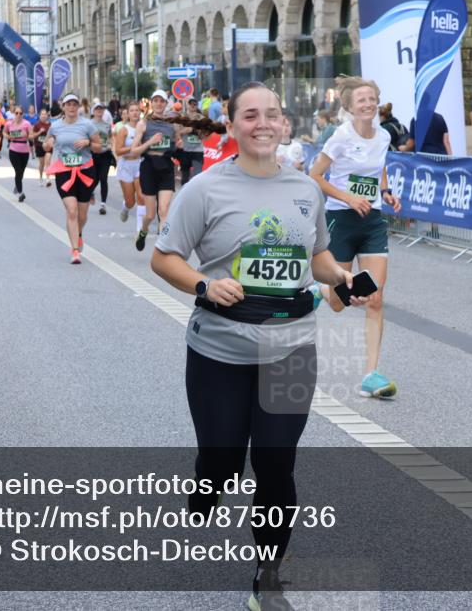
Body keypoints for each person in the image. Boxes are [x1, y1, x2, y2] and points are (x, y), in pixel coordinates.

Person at [151, 81, 364, 611]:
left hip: (291, 349)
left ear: (284, 124)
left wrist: (340, 276)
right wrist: (203, 284)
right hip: (219, 351)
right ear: (231, 125)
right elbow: (164, 258)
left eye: (271, 114)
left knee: (275, 465)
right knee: (222, 460)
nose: (262, 123)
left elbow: (316, 256)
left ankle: (268, 576)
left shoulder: (305, 189)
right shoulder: (205, 189)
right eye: (250, 115)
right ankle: (208, 482)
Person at [310, 75, 402, 398]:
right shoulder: (341, 137)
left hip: (372, 221)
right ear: (350, 106)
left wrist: (385, 191)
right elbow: (315, 175)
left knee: (374, 296)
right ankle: (322, 290)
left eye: (372, 99)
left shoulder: (384, 136)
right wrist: (348, 198)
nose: (368, 104)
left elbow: (379, 168)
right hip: (341, 220)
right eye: (361, 100)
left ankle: (371, 375)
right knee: (339, 303)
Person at [43, 92, 103, 264]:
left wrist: (88, 143)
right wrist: (48, 144)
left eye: (74, 104)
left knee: (82, 215)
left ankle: (79, 233)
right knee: (71, 211)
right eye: (68, 104)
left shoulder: (87, 125)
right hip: (64, 171)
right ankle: (75, 250)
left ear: (78, 107)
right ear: (63, 107)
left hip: (85, 171)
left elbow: (99, 147)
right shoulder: (55, 126)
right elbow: (46, 145)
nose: (71, 107)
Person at [132, 90, 179, 252]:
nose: (159, 104)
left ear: (166, 104)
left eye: (162, 101)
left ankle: (162, 247)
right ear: (151, 103)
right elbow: (134, 151)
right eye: (156, 101)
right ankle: (143, 231)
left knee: (164, 210)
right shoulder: (143, 124)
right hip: (149, 167)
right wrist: (150, 142)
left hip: (166, 166)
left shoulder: (172, 123)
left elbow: (177, 143)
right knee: (150, 214)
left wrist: (178, 146)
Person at [113, 101, 146, 226]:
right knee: (131, 202)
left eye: (137, 110)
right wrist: (133, 147)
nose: (134, 113)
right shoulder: (124, 130)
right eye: (132, 110)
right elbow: (118, 150)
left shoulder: (144, 128)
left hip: (139, 164)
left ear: (140, 112)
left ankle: (140, 230)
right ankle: (126, 208)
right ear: (127, 114)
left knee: (141, 197)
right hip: (126, 166)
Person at [4, 105, 34, 203]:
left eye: (20, 113)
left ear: (23, 114)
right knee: (18, 170)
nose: (18, 115)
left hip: (24, 151)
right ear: (14, 113)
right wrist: (8, 137)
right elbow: (4, 132)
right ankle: (21, 193)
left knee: (21, 172)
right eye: (16, 113)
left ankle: (17, 185)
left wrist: (27, 135)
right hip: (13, 150)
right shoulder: (9, 123)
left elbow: (32, 136)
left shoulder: (27, 124)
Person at [90, 102, 114, 214]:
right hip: (93, 154)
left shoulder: (107, 125)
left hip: (105, 155)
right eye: (97, 109)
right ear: (93, 111)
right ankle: (90, 192)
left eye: (101, 109)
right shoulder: (89, 124)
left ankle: (103, 204)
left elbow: (110, 138)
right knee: (94, 178)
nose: (99, 111)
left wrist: (110, 145)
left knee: (103, 178)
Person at [32, 108, 52, 187]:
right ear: (39, 116)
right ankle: (40, 178)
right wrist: (40, 132)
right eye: (42, 114)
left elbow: (53, 135)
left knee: (48, 161)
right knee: (42, 163)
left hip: (48, 145)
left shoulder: (50, 125)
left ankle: (48, 179)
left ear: (47, 115)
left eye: (45, 114)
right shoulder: (37, 125)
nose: (43, 116)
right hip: (39, 146)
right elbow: (33, 135)